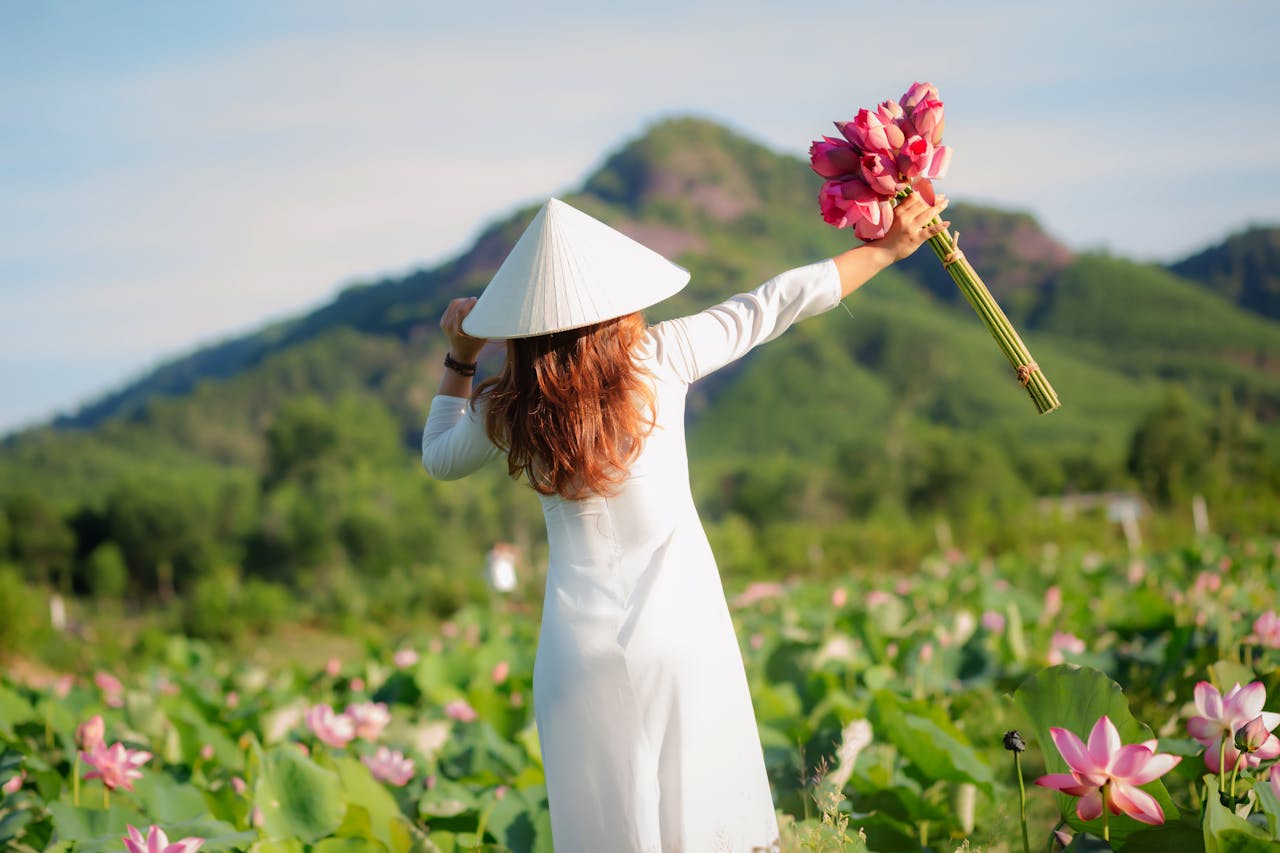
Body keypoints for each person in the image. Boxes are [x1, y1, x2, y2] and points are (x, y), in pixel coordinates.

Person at [422, 193, 948, 852]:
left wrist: (462, 357)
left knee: (611, 831)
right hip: (681, 633)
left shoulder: (511, 407)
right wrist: (888, 248)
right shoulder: (658, 358)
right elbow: (774, 302)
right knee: (708, 824)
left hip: (574, 653)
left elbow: (439, 456)